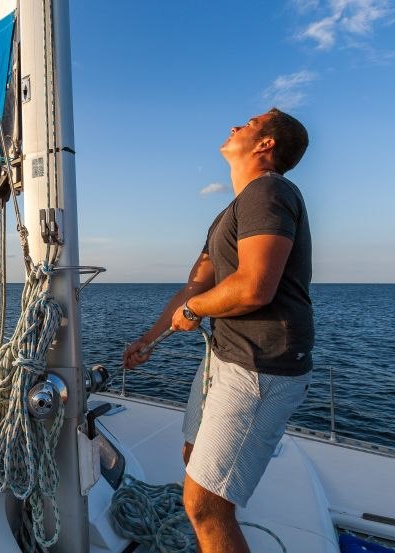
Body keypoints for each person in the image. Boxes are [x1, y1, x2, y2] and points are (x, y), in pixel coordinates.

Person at [122, 108, 313, 553]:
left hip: (260, 366)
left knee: (205, 504)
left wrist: (195, 308)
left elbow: (254, 288)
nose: (234, 127)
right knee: (194, 460)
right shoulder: (234, 210)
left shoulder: (269, 191)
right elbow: (196, 285)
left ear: (266, 145)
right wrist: (149, 339)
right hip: (225, 359)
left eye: (247, 124)